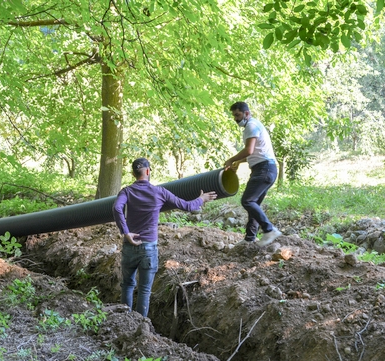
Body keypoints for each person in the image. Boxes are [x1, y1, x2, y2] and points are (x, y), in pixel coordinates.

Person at [112, 158, 217, 318]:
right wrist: (202, 199)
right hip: (148, 249)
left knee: (127, 285)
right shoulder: (159, 192)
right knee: (144, 290)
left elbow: (116, 207)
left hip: (129, 246)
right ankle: (140, 327)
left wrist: (126, 232)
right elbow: (187, 206)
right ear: (148, 171)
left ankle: (125, 320)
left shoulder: (126, 192)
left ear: (134, 173)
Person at [224, 101, 282, 246]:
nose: (236, 119)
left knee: (247, 201)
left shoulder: (251, 125)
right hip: (265, 168)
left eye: (237, 115)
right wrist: (239, 162)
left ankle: (269, 230)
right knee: (253, 203)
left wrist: (231, 160)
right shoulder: (253, 125)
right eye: (234, 116)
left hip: (264, 169)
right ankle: (250, 238)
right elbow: (255, 153)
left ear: (247, 113)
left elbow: (249, 150)